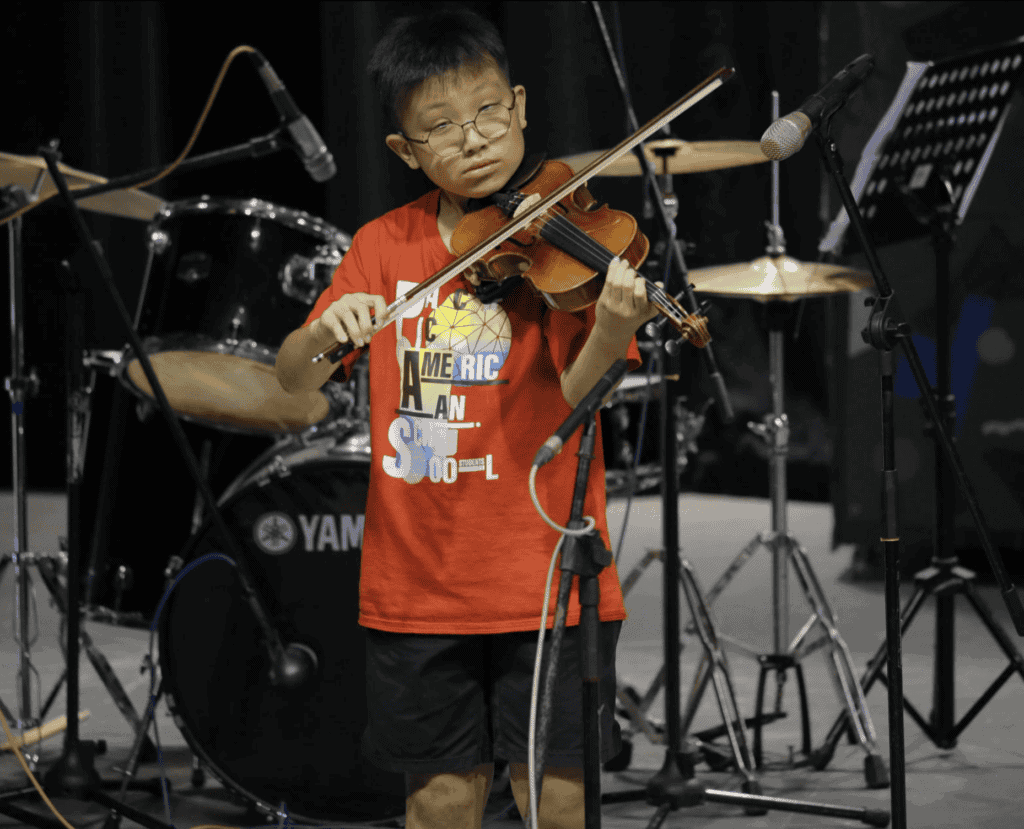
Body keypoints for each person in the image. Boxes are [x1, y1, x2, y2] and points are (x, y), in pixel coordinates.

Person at [275, 8, 656, 828]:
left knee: (558, 800)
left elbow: (577, 394)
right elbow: (292, 380)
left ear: (519, 106)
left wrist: (614, 326)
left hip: (546, 573)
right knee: (441, 800)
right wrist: (321, 331)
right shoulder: (383, 246)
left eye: (487, 111)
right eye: (441, 126)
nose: (474, 138)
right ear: (404, 150)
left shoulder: (562, 237)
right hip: (418, 581)